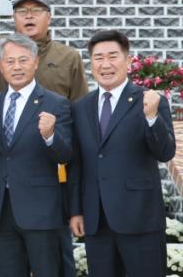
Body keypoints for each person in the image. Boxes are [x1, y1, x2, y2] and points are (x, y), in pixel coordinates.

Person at [0, 0, 88, 276]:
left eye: (36, 11)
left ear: (49, 17)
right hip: (3, 202)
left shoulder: (68, 57)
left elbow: (79, 126)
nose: (28, 16)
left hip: (47, 189)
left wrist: (76, 203)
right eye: (21, 11)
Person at [69, 30, 175, 277]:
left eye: (112, 56)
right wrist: (75, 210)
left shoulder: (150, 100)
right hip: (97, 220)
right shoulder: (81, 107)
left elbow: (165, 152)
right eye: (98, 57)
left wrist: (151, 118)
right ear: (91, 63)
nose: (105, 64)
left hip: (140, 218)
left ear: (128, 61)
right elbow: (77, 163)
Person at [0, 34, 73, 277]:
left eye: (23, 60)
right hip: (1, 211)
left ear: (35, 62)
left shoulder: (56, 104)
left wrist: (50, 135)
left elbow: (66, 155)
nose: (16, 67)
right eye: (10, 61)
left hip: (41, 211)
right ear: (1, 66)